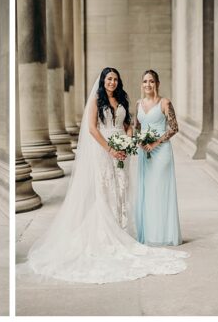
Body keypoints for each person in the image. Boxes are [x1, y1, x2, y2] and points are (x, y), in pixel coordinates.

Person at [24, 68, 188, 284]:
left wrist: (128, 140)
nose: (112, 82)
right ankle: (107, 234)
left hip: (124, 150)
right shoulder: (96, 101)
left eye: (115, 79)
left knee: (123, 188)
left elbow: (128, 125)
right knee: (106, 189)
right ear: (103, 81)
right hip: (103, 150)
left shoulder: (122, 99)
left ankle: (121, 229)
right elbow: (92, 129)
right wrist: (110, 149)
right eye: (109, 79)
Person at [134, 69, 183, 246]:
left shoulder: (164, 103)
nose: (148, 84)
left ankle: (164, 234)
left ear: (157, 84)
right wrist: (138, 141)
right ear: (142, 84)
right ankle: (150, 234)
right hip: (143, 152)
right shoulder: (138, 103)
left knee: (159, 190)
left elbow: (174, 128)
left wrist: (155, 143)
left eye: (152, 81)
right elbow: (136, 128)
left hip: (161, 152)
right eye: (145, 81)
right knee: (147, 191)